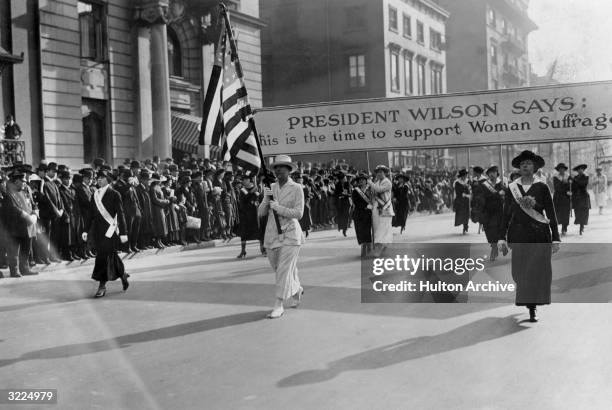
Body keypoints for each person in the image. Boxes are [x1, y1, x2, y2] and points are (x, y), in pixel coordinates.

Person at [499, 150, 560, 323]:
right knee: (519, 272)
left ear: (535, 168)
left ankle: (532, 306)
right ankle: (528, 298)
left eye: (529, 164)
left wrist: (555, 238)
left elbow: (551, 213)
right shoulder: (512, 188)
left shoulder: (542, 187)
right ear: (519, 167)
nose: (525, 166)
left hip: (539, 235)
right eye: (523, 163)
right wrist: (501, 237)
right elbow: (506, 214)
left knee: (536, 271)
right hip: (518, 235)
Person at [258, 155, 305, 319]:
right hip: (272, 234)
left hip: (291, 234)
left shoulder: (297, 188)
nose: (278, 170)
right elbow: (261, 213)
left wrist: (278, 208)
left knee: (284, 270)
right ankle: (296, 288)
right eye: (276, 167)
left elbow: (299, 213)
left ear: (289, 170)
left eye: (282, 167)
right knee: (278, 268)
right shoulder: (270, 187)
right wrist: (265, 201)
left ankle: (278, 304)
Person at [82, 170, 129, 298]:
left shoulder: (115, 194)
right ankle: (123, 275)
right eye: (98, 178)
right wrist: (86, 230)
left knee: (102, 257)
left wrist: (123, 233)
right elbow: (90, 215)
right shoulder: (95, 194)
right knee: (111, 255)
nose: (98, 180)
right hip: (98, 231)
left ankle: (102, 286)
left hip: (110, 231)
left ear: (108, 179)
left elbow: (121, 214)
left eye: (102, 178)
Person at [2, 170, 38, 277]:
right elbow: (13, 208)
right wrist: (27, 216)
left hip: (28, 226)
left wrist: (35, 213)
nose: (25, 183)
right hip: (16, 227)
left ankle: (25, 268)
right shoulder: (9, 194)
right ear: (16, 181)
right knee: (14, 250)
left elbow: (32, 204)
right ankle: (15, 270)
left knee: (26, 249)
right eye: (22, 181)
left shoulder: (25, 192)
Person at [480, 166, 505, 261]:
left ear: (497, 173)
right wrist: (497, 194)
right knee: (489, 232)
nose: (491, 174)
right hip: (488, 211)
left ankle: (494, 249)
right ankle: (495, 246)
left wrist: (504, 194)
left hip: (499, 212)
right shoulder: (484, 185)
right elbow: (483, 197)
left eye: (493, 172)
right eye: (489, 173)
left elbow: (506, 195)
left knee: (498, 231)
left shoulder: (501, 184)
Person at [369, 165, 394, 256]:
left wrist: (370, 183)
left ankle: (379, 250)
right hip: (377, 209)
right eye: (378, 172)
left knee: (382, 230)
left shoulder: (387, 182)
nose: (379, 174)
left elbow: (379, 190)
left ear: (385, 173)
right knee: (377, 229)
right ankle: (382, 248)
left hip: (385, 209)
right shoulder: (377, 182)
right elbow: (374, 193)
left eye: (381, 172)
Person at [236, 174, 261, 258]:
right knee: (244, 233)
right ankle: (243, 251)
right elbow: (244, 199)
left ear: (249, 180)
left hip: (255, 213)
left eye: (245, 180)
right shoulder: (242, 190)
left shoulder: (256, 188)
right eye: (242, 180)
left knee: (258, 231)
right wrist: (252, 192)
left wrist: (255, 192)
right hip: (245, 214)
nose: (243, 181)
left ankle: (263, 248)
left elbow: (258, 198)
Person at [351, 173, 373, 258]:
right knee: (360, 231)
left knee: (367, 231)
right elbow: (356, 202)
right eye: (359, 180)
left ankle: (369, 249)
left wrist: (372, 205)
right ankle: (363, 250)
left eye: (363, 180)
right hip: (359, 213)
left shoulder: (370, 190)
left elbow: (374, 199)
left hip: (368, 214)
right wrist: (366, 206)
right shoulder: (355, 191)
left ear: (366, 181)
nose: (361, 181)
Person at [552, 163, 572, 235]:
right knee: (557, 213)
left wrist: (569, 187)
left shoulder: (568, 177)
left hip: (566, 198)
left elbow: (571, 186)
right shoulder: (556, 177)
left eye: (563, 169)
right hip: (558, 198)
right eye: (560, 169)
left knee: (566, 213)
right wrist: (563, 183)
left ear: (564, 169)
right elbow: (556, 187)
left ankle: (564, 227)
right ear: (558, 170)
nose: (561, 170)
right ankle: (556, 229)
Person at [571, 164, 590, 235]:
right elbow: (573, 187)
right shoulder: (575, 177)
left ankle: (581, 227)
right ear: (577, 171)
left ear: (583, 170)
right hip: (576, 197)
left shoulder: (586, 177)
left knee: (583, 212)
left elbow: (583, 184)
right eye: (578, 169)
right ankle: (580, 225)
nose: (580, 170)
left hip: (584, 196)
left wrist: (574, 181)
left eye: (581, 169)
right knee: (578, 212)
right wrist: (571, 182)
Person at [453, 169, 471, 234]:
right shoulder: (457, 183)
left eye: (466, 175)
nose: (465, 177)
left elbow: (470, 189)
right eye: (464, 176)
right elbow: (457, 192)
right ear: (461, 176)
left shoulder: (468, 181)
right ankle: (464, 226)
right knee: (461, 214)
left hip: (466, 200)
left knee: (466, 214)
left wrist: (468, 192)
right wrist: (463, 194)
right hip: (460, 201)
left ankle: (465, 226)